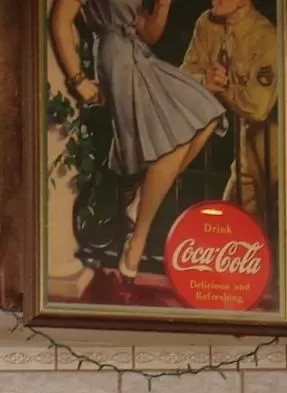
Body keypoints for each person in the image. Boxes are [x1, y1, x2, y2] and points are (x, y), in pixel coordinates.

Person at [50, 0, 224, 280]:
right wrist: (78, 80)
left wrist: (162, 7)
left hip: (140, 54)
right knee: (172, 144)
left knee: (208, 113)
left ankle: (141, 200)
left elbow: (147, 32)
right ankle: (138, 238)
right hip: (116, 60)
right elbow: (60, 19)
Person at [181, 0, 280, 231]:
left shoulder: (266, 37)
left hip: (274, 147)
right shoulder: (207, 24)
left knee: (274, 227)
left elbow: (259, 108)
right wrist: (204, 81)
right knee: (228, 228)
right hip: (243, 149)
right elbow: (183, 77)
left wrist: (224, 89)